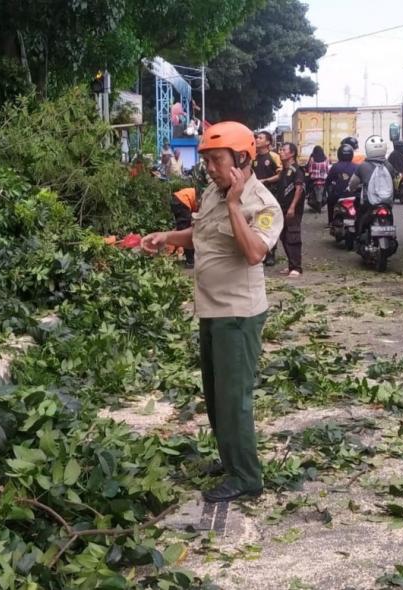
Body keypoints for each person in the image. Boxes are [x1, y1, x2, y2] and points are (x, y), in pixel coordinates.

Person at [140, 122, 283, 503]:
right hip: (211, 310)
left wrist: (235, 204)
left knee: (234, 398)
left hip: (238, 314)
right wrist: (167, 237)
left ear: (241, 158)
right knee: (216, 394)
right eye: (206, 161)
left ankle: (247, 478)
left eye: (216, 160)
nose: (210, 169)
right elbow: (201, 235)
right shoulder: (212, 193)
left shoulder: (261, 203)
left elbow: (254, 252)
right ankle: (230, 460)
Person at [347, 135, 396, 232]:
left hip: (369, 202)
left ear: (368, 149)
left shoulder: (362, 166)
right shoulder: (389, 166)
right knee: (390, 213)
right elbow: (394, 182)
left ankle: (359, 233)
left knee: (360, 213)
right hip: (387, 202)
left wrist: (350, 189)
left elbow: (353, 183)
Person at [253, 131, 282, 266]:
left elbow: (279, 175)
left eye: (260, 138)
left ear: (268, 142)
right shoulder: (253, 157)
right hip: (255, 196)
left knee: (267, 223)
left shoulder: (274, 157)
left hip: (270, 195)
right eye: (257, 137)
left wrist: (265, 181)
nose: (257, 139)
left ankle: (271, 253)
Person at [277, 142, 305, 277]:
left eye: (283, 150)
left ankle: (297, 268)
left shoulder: (296, 170)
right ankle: (291, 265)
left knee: (293, 237)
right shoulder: (284, 170)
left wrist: (292, 207)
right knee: (284, 237)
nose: (280, 152)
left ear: (292, 153)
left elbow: (298, 188)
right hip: (282, 208)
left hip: (293, 210)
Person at [325, 143, 359, 224]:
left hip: (338, 195)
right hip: (353, 195)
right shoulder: (357, 167)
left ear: (339, 154)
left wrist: (328, 189)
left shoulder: (335, 167)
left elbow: (328, 181)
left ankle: (331, 221)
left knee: (330, 201)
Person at [171, 187, 198, 268]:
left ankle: (190, 258)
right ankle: (191, 261)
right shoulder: (208, 198)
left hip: (178, 200)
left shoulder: (203, 193)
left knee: (183, 228)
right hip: (182, 201)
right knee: (186, 230)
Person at [305, 145, 330, 213]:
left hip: (314, 180)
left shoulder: (312, 159)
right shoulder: (326, 159)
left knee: (307, 187)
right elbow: (328, 170)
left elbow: (309, 170)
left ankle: (306, 194)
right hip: (323, 180)